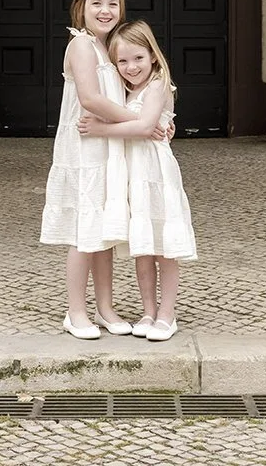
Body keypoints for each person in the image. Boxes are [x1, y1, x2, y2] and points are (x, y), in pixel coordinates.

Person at [39, 0, 147, 340]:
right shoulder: (81, 45)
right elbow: (90, 98)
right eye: (96, 3)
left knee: (105, 231)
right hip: (84, 149)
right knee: (84, 232)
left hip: (108, 147)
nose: (105, 10)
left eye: (113, 4)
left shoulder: (112, 46)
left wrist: (159, 118)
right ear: (80, 7)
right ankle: (76, 312)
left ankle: (105, 307)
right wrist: (138, 121)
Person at [79, 20, 197, 341]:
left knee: (164, 249)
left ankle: (167, 314)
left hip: (156, 176)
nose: (131, 67)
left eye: (138, 58)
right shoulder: (124, 89)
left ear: (153, 56)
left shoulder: (158, 85)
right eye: (123, 61)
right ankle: (148, 311)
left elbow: (145, 127)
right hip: (134, 177)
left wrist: (101, 129)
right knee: (143, 249)